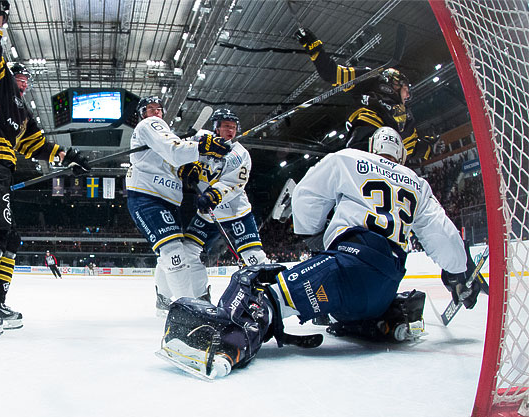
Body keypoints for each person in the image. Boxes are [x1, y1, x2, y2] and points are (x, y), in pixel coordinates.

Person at [156, 127, 482, 379]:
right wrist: (458, 272)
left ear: (373, 148)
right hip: (385, 283)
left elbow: (306, 197)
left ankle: (225, 338)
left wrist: (312, 235)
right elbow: (444, 235)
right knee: (353, 296)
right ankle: (384, 321)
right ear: (401, 155)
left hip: (347, 267)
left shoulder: (349, 158)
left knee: (257, 284)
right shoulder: (416, 183)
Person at [0, 1, 90, 336]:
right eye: (22, 76)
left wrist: (68, 157)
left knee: (10, 237)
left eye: (28, 79)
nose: (26, 82)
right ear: (10, 76)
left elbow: (38, 146)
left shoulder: (23, 115)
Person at [126, 96, 232, 314]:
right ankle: (189, 313)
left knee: (173, 254)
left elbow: (171, 159)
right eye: (150, 109)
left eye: (159, 109)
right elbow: (174, 150)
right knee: (173, 252)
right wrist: (203, 146)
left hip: (167, 200)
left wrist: (184, 170)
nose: (156, 112)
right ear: (141, 114)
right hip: (148, 196)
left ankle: (165, 302)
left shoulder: (163, 133)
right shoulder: (148, 125)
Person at [295, 28, 441, 161]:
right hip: (364, 139)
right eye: (406, 90)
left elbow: (411, 148)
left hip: (388, 157)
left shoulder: (406, 117)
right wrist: (314, 47)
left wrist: (430, 148)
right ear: (396, 83)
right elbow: (332, 73)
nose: (408, 96)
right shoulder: (370, 79)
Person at [181, 108, 268, 301]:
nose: (231, 131)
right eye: (226, 126)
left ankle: (269, 297)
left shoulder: (240, 154)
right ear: (216, 128)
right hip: (206, 214)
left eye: (234, 127)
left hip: (236, 212)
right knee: (187, 251)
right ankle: (201, 297)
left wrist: (212, 195)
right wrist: (187, 161)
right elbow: (180, 149)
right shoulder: (202, 138)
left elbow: (234, 184)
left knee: (253, 256)